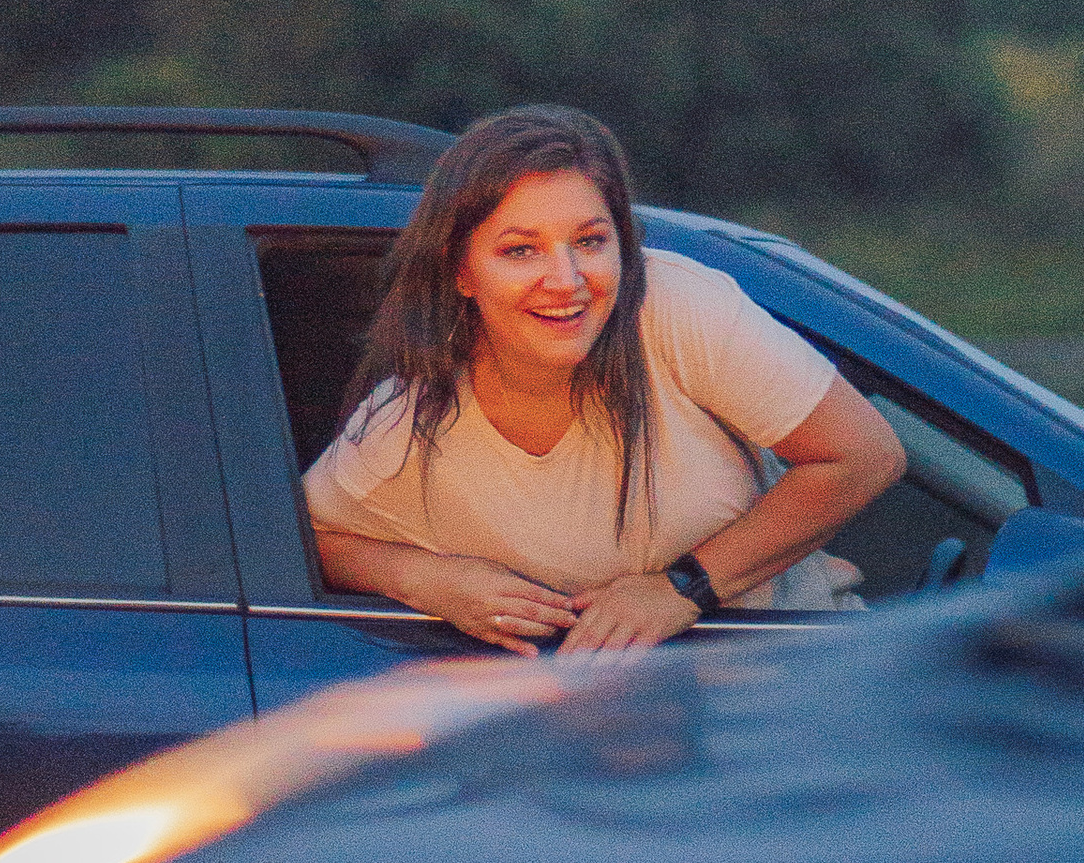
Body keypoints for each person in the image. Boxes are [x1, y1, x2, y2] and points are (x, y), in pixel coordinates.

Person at [304, 104, 906, 653]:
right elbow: (303, 535)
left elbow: (863, 456)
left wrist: (681, 589)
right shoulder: (414, 419)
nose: (566, 280)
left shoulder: (673, 308)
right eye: (521, 250)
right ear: (461, 271)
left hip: (796, 679)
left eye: (590, 241)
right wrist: (428, 579)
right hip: (607, 732)